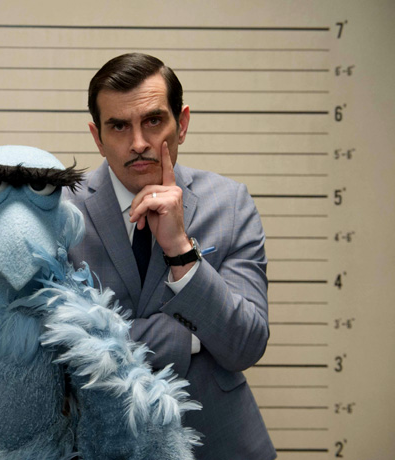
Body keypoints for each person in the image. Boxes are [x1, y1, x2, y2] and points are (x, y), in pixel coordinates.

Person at [63, 53, 277, 460]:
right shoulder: (59, 214)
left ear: (182, 123)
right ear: (97, 137)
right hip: (101, 446)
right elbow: (56, 354)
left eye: (153, 121)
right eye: (119, 126)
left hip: (218, 443)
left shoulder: (230, 203)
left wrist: (181, 251)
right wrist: (189, 335)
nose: (138, 143)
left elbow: (245, 345)